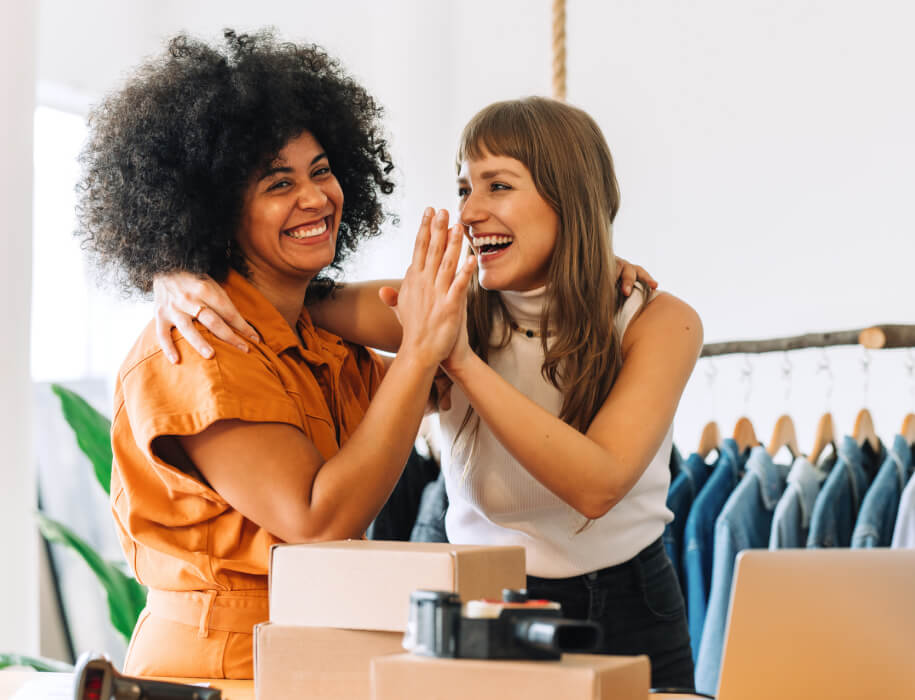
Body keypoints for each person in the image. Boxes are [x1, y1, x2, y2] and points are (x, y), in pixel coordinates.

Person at [157, 97, 701, 689]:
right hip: (482, 605)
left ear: (568, 196)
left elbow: (598, 486)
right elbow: (280, 291)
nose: (469, 212)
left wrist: (459, 360)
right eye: (465, 187)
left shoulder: (659, 322)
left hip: (629, 603)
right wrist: (176, 270)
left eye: (498, 186)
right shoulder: (446, 303)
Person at [76, 29, 474, 679]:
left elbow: (451, 331)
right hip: (218, 669)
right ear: (214, 211)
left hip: (304, 650)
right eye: (277, 183)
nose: (315, 198)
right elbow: (315, 518)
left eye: (321, 171)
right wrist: (416, 356)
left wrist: (595, 268)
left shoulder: (312, 340)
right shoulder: (198, 348)